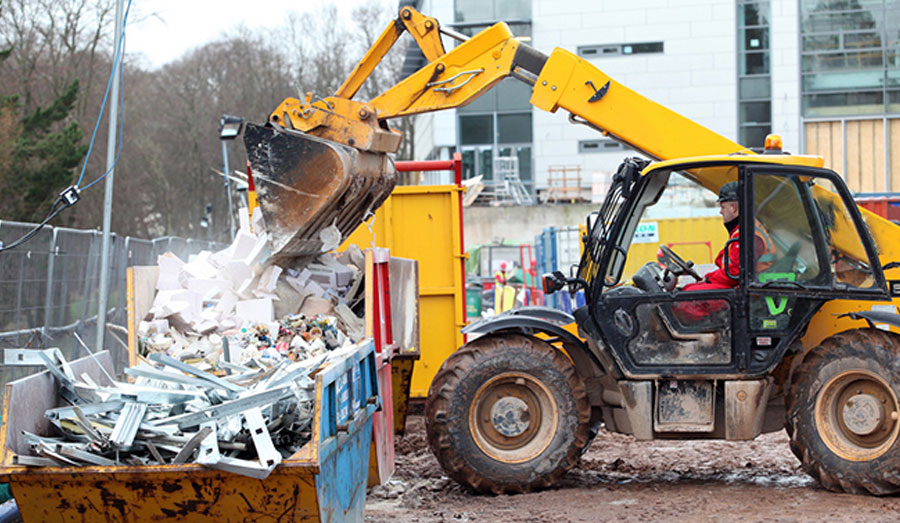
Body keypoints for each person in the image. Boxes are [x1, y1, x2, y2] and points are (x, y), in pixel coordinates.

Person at [675, 181, 773, 320]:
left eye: (723, 207)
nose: (721, 211)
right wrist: (708, 278)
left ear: (733, 207)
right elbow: (729, 268)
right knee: (688, 289)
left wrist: (708, 279)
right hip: (746, 286)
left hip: (749, 292)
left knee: (688, 298)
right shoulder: (744, 231)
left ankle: (706, 337)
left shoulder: (747, 235)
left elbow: (733, 274)